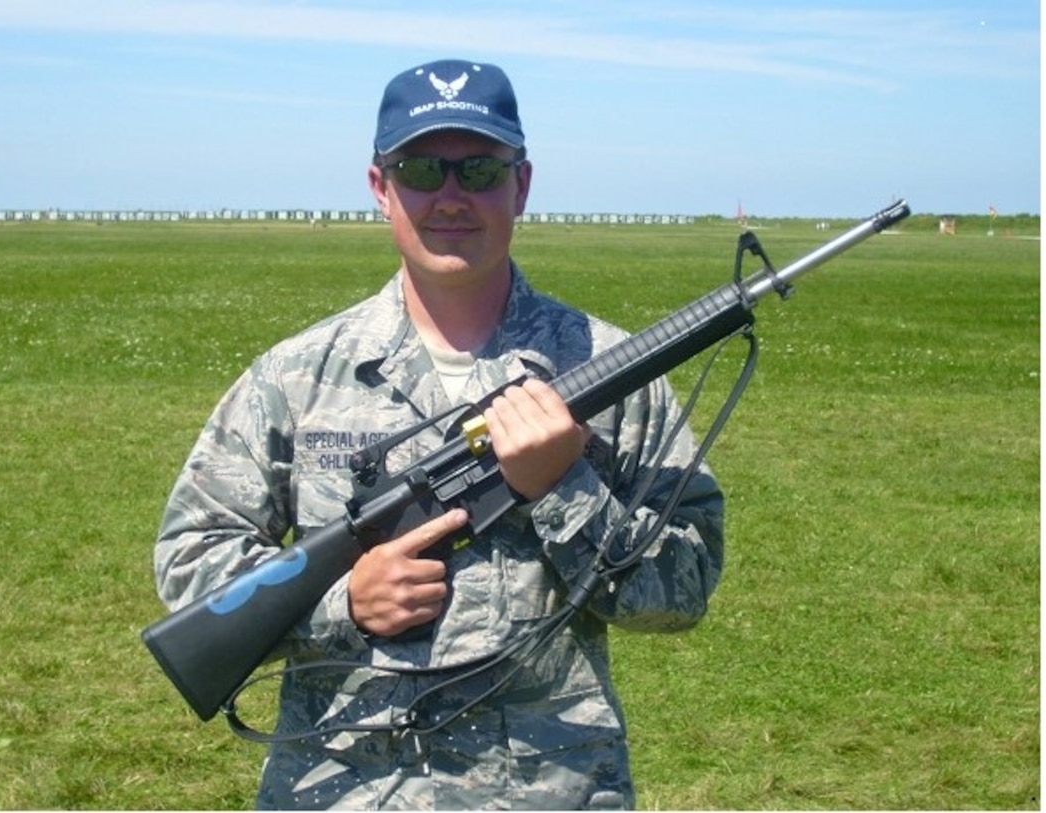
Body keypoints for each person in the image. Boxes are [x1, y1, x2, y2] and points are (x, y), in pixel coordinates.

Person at [154, 57, 725, 810]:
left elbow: (682, 590)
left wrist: (565, 487)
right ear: (380, 186)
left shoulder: (609, 372)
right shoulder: (295, 376)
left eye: (481, 169)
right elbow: (190, 557)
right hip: (344, 788)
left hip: (552, 792)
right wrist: (344, 603)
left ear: (521, 185)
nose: (452, 196)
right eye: (423, 167)